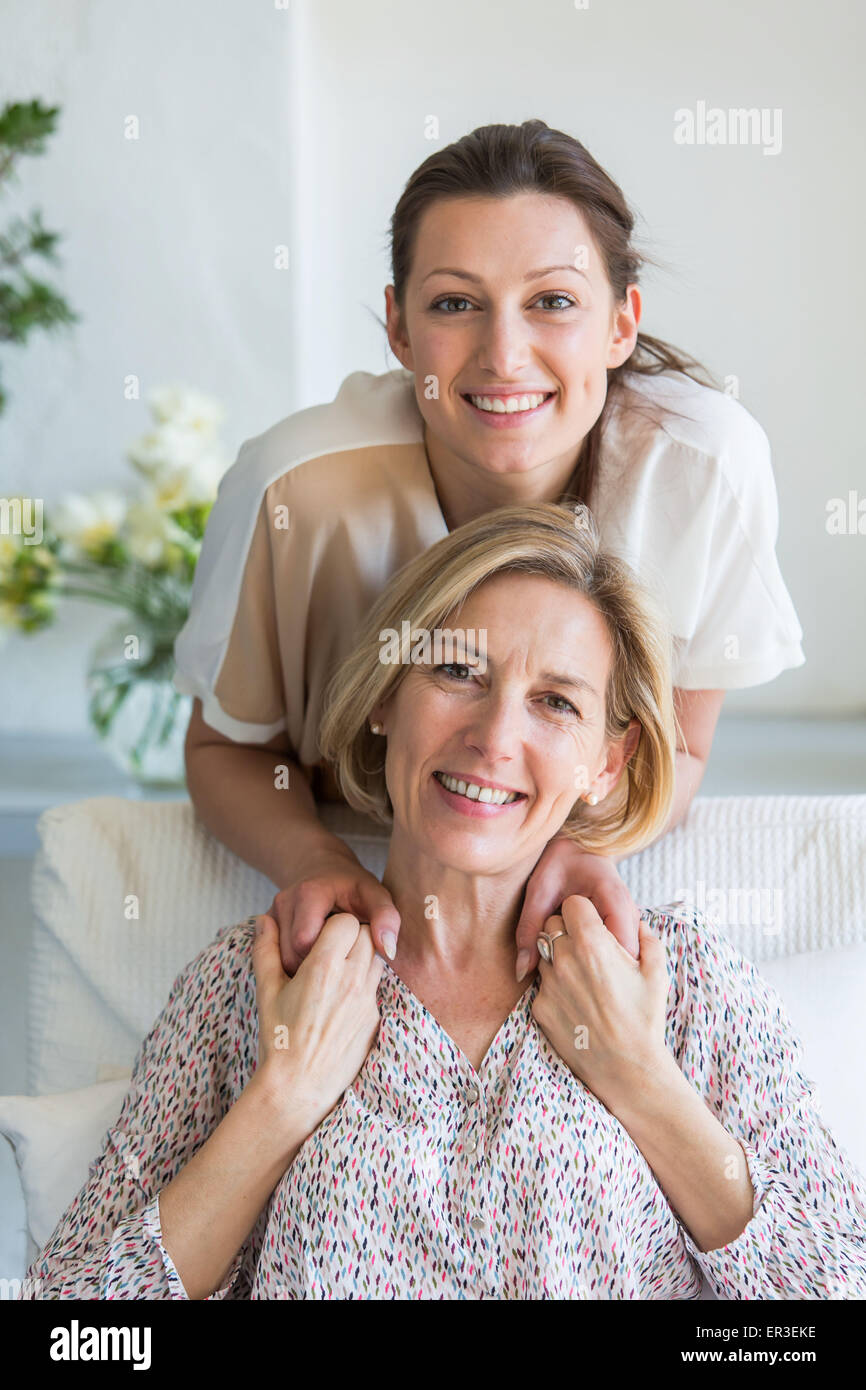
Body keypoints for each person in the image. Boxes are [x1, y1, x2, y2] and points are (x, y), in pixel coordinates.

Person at [23, 505, 861, 1301]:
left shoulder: (684, 988)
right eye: (459, 671)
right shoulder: (255, 983)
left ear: (607, 762)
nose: (495, 737)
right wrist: (280, 1104)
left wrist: (643, 1082)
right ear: (387, 695)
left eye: (556, 702)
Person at [174, 118, 805, 977]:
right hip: (354, 891)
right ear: (398, 329)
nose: (505, 357)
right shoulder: (295, 492)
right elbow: (225, 751)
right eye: (455, 303)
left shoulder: (705, 472)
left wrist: (584, 850)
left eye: (552, 302)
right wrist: (315, 863)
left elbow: (679, 750)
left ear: (622, 324)